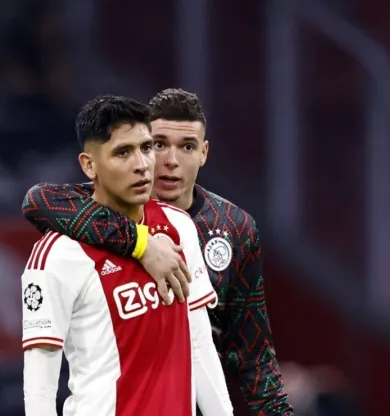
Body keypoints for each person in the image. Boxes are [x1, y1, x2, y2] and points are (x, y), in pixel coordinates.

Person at [22, 88, 293, 415]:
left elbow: (214, 347)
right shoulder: (62, 248)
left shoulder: (202, 228)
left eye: (146, 148)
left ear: (204, 152)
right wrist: (141, 242)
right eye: (126, 152)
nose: (151, 163)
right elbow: (40, 382)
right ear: (89, 165)